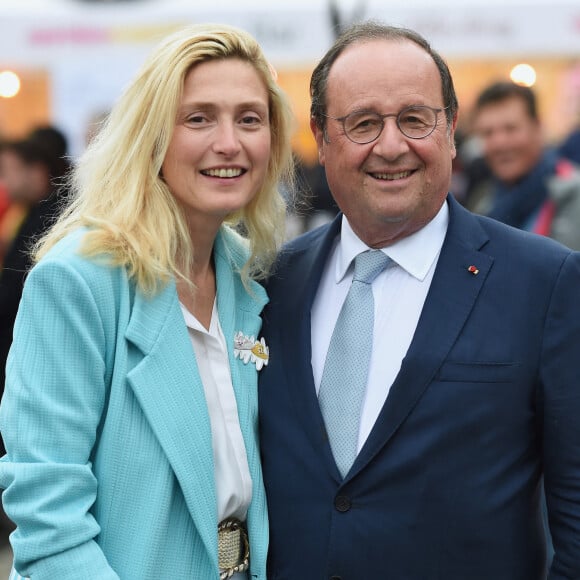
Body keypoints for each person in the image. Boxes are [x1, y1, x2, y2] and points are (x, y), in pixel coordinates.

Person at [258, 21, 580, 579]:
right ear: (321, 136)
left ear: (451, 130)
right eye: (362, 123)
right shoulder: (271, 285)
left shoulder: (544, 281)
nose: (391, 145)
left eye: (414, 119)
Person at [0, 23, 294, 579]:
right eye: (199, 117)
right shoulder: (79, 279)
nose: (229, 142)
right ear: (151, 135)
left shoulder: (247, 273)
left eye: (249, 119)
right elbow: (48, 519)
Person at [0, 127, 70, 414]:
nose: (4, 182)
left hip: (27, 348)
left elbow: (15, 288)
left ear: (37, 172)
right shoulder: (31, 211)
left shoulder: (47, 221)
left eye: (8, 171)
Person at [466, 81, 580, 250]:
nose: (499, 143)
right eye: (488, 133)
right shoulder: (483, 200)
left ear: (538, 128)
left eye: (511, 129)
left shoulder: (572, 194)